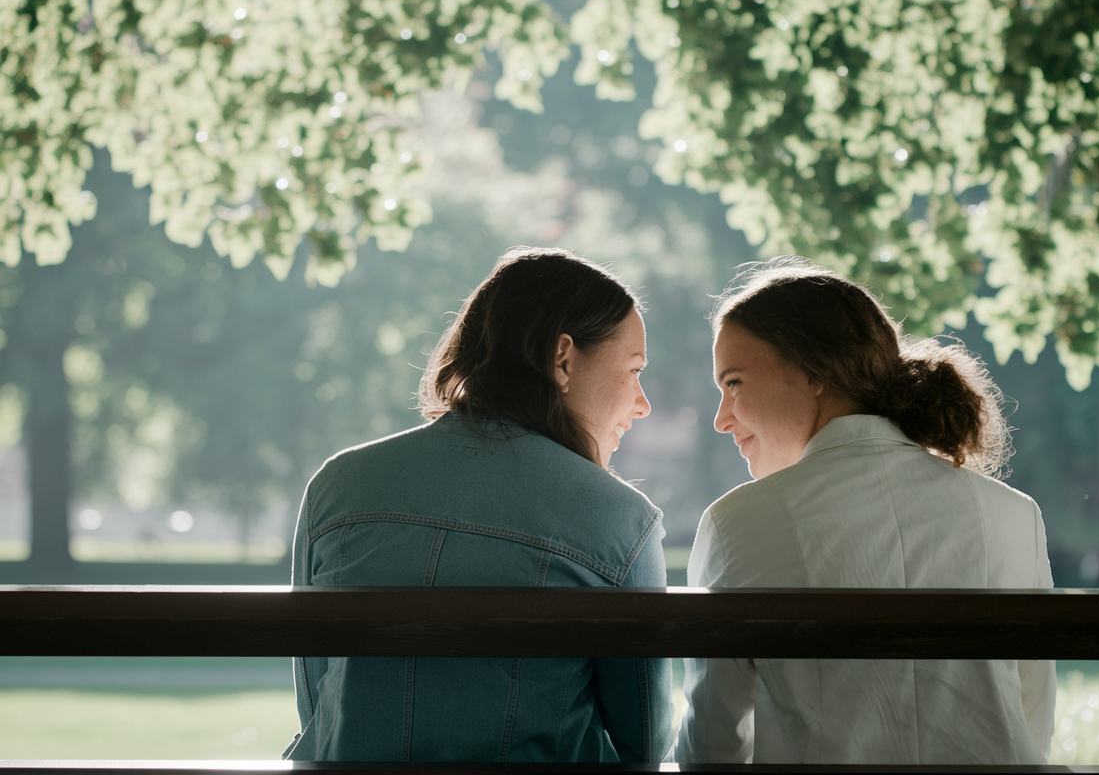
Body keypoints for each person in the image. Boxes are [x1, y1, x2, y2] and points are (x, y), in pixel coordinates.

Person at [285, 247, 674, 762]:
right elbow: (643, 742)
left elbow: (318, 700)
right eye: (633, 369)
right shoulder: (623, 522)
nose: (642, 402)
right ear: (563, 358)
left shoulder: (337, 486)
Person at [676, 258, 1054, 765]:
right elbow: (1034, 717)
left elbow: (710, 745)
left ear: (814, 372)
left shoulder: (737, 525)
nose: (723, 418)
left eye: (734, 382)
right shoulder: (1015, 515)